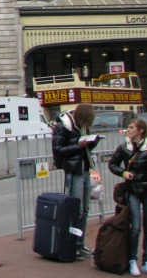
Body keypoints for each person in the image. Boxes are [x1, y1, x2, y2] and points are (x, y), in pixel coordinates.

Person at [109, 118, 147, 277]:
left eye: (131, 127)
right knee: (136, 227)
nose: (128, 129)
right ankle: (132, 260)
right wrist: (123, 172)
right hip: (132, 190)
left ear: (140, 130)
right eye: (128, 127)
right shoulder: (123, 147)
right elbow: (112, 164)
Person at [51, 103, 99, 259]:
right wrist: (78, 145)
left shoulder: (81, 127)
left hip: (84, 169)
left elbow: (83, 150)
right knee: (75, 210)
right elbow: (58, 150)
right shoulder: (63, 126)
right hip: (73, 171)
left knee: (84, 210)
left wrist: (91, 143)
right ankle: (71, 244)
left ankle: (79, 243)